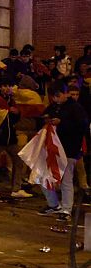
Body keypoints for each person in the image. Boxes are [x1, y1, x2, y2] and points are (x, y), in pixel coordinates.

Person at [39, 82, 89, 221]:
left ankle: (66, 209)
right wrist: (46, 119)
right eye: (53, 97)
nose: (55, 99)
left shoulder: (75, 108)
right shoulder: (54, 106)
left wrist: (62, 123)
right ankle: (53, 204)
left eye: (58, 96)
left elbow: (82, 126)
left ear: (65, 93)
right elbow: (42, 117)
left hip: (69, 149)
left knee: (66, 179)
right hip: (52, 149)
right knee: (43, 176)